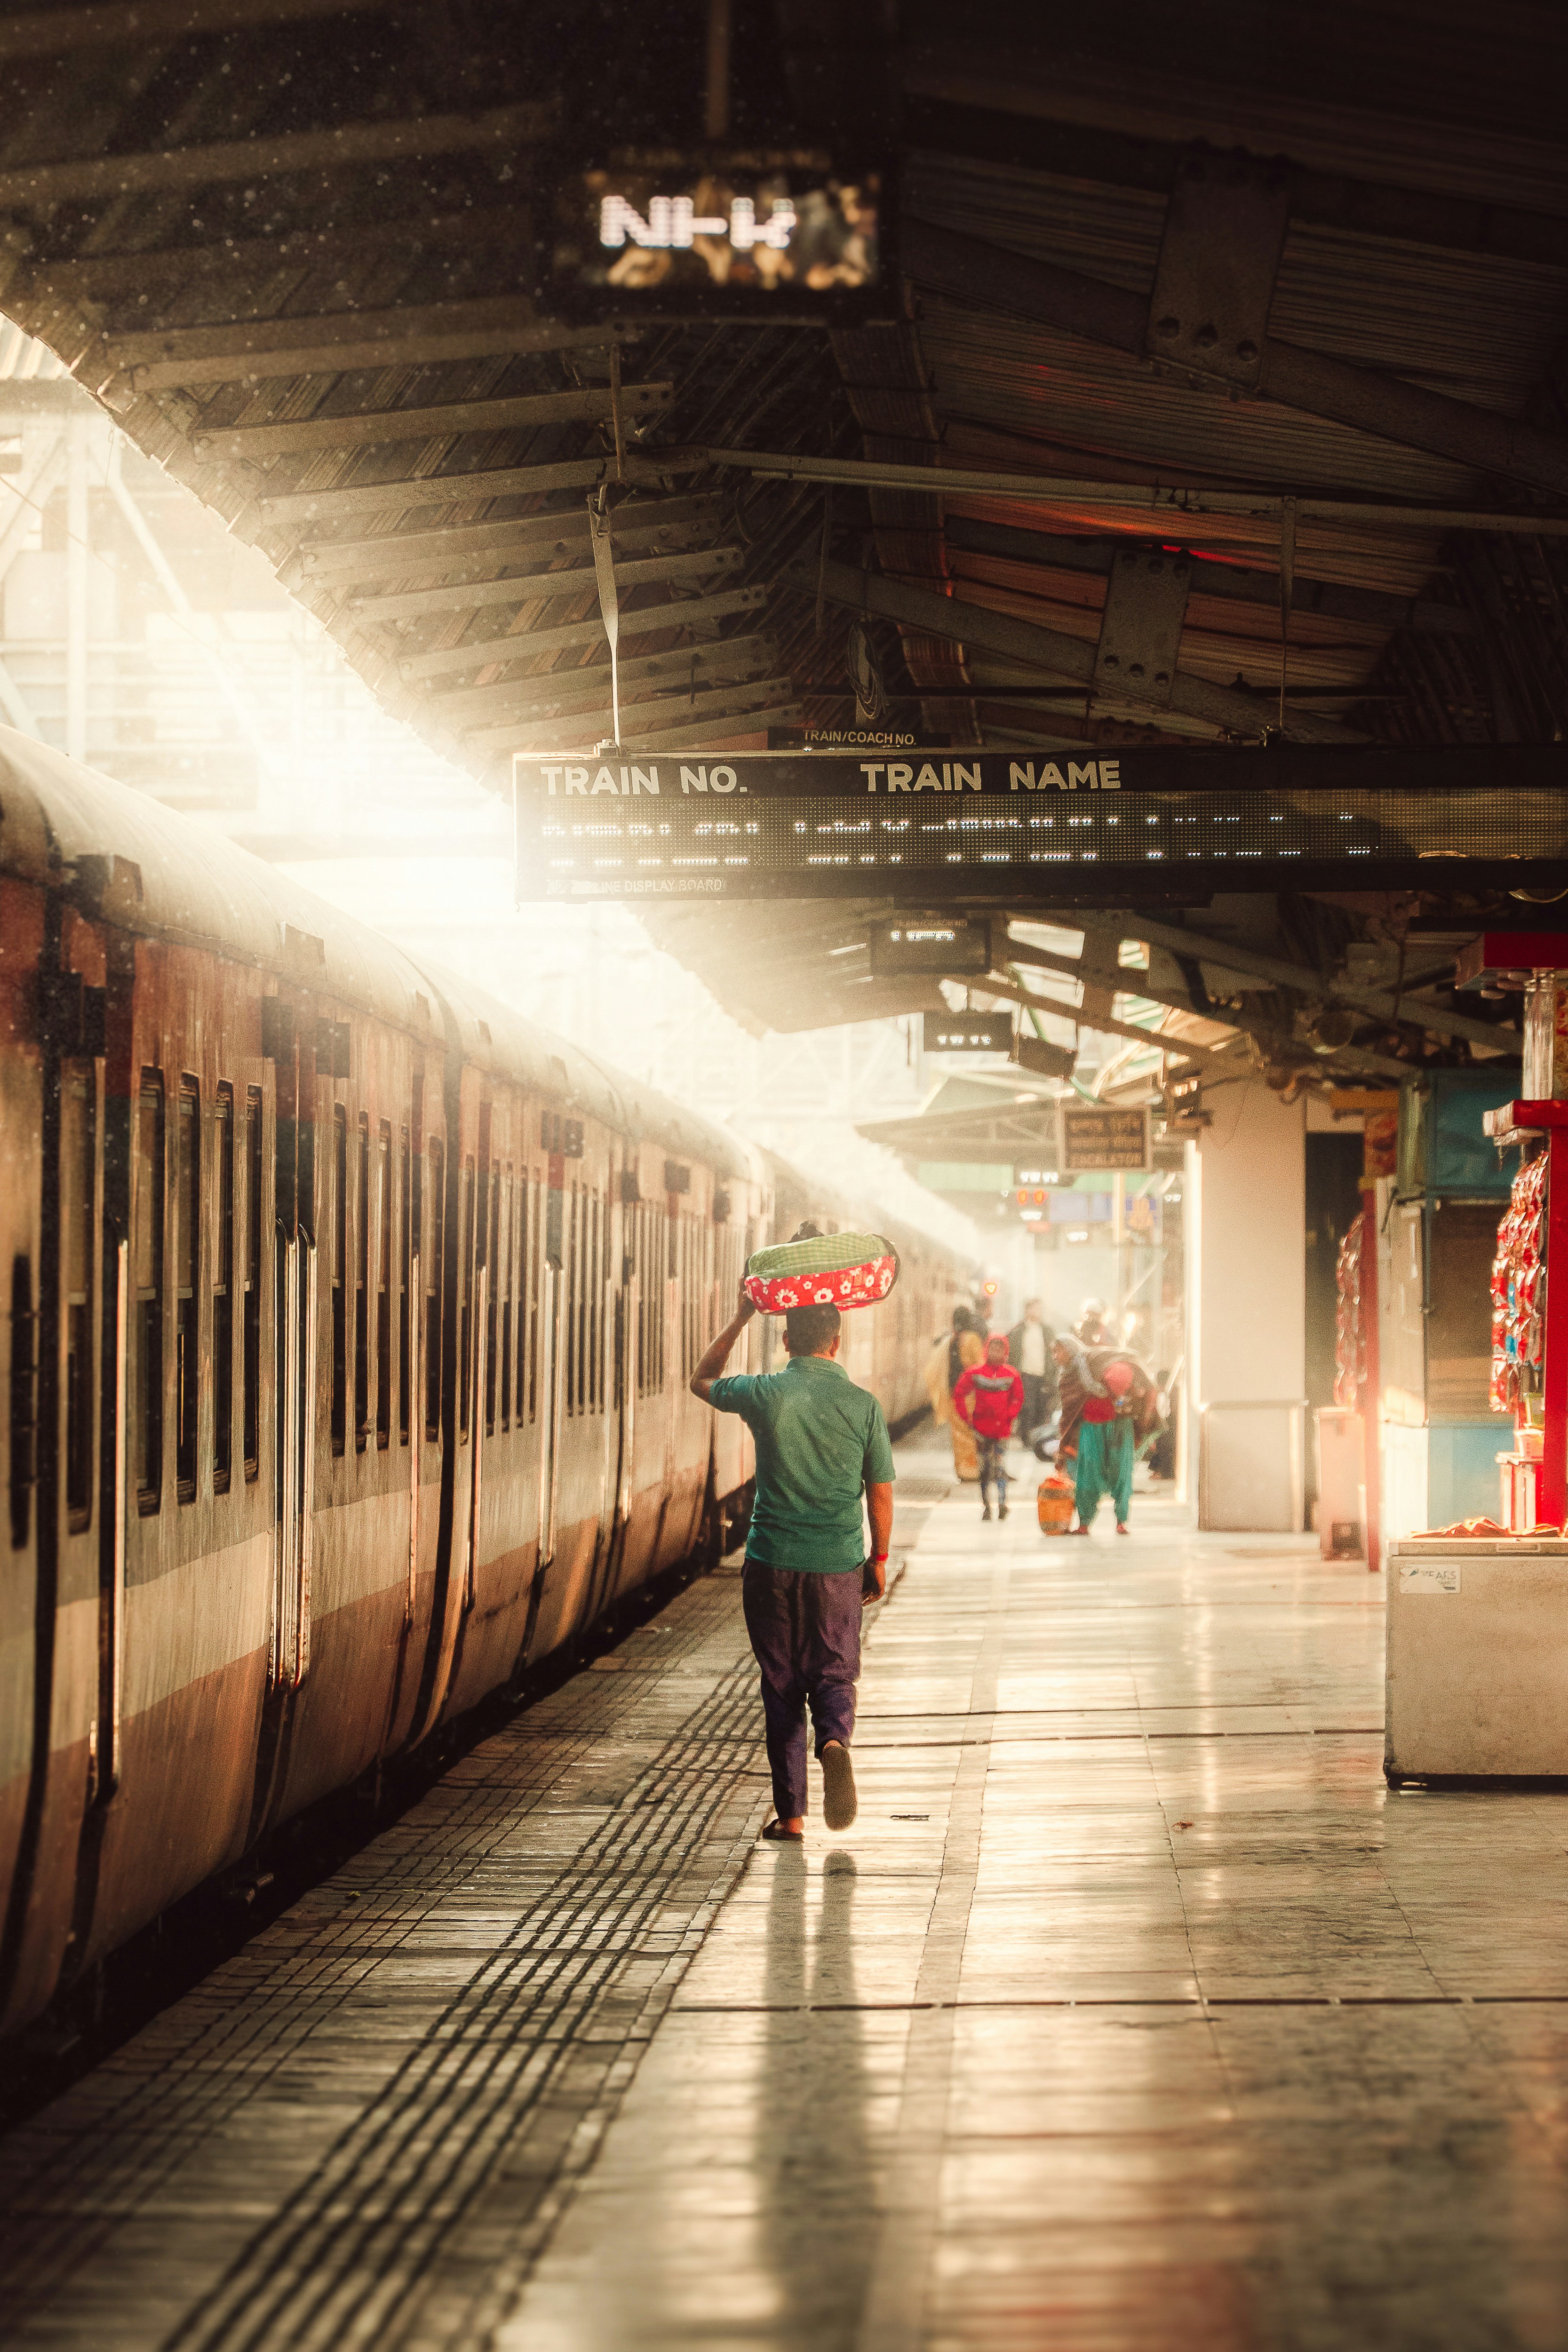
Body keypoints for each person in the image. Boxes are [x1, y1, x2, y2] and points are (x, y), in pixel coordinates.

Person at [691, 1251, 895, 1845]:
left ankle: (793, 1815)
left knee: (780, 1683)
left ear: (786, 1339)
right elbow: (880, 1493)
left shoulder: (766, 1393)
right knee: (834, 1673)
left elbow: (701, 1381)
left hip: (772, 1558)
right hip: (837, 1562)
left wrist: (737, 1319)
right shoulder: (863, 1405)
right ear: (837, 1340)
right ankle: (834, 1739)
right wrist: (878, 1558)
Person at [954, 1334, 1025, 1520]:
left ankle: (1001, 1505)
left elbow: (1018, 1398)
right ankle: (987, 1506)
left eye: (999, 1349)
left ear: (1005, 1351)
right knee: (985, 1470)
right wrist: (967, 1419)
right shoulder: (976, 1373)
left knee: (1000, 1468)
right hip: (981, 1431)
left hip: (1001, 1431)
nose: (996, 1353)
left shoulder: (1011, 1375)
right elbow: (959, 1393)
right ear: (987, 1350)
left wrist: (1010, 1415)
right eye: (993, 1349)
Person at [926, 1306, 987, 1481]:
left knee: (959, 1433)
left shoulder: (951, 1340)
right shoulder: (973, 1339)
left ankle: (962, 1469)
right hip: (970, 1394)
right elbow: (979, 1366)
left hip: (955, 1393)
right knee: (970, 1432)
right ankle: (972, 1469)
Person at [1007, 1297, 1057, 1437]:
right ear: (1027, 1310)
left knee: (1043, 1408)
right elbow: (1012, 1354)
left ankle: (1040, 1438)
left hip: (1044, 1375)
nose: (1037, 1312)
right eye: (1034, 1308)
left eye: (1039, 1309)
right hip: (1025, 1375)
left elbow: (1053, 1354)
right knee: (1027, 1408)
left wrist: (1052, 1373)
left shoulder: (1047, 1331)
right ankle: (1027, 1437)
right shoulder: (1018, 1331)